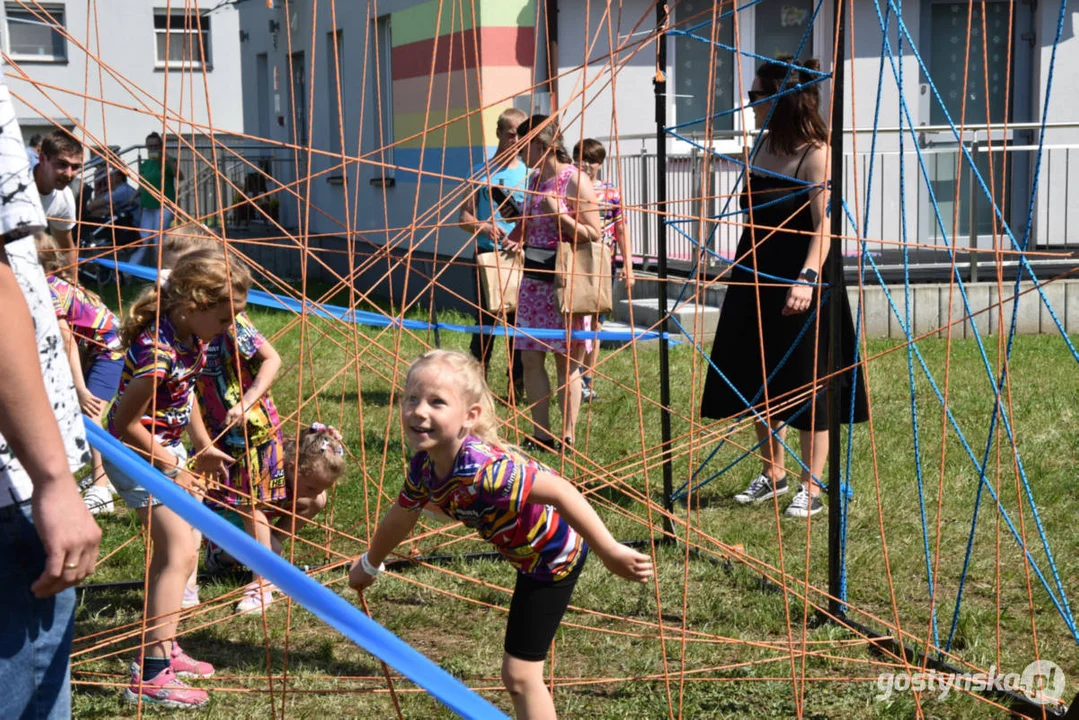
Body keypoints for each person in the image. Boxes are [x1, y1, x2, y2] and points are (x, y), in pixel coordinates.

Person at [348, 350, 652, 719]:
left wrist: (610, 551)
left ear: (469, 416)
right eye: (411, 398)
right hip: (527, 555)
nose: (419, 411)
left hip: (553, 558)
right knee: (518, 675)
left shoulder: (484, 471)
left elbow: (561, 491)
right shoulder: (424, 467)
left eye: (437, 402)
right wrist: (370, 563)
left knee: (521, 676)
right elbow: (401, 517)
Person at [699, 58, 868, 518]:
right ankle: (772, 474)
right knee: (759, 374)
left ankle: (810, 486)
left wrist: (808, 278)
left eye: (756, 96)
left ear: (781, 98)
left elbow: (825, 225)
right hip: (755, 272)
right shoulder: (761, 146)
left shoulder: (817, 152)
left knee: (809, 379)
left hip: (802, 277)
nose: (750, 105)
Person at [103, 247, 250, 709]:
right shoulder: (158, 353)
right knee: (181, 553)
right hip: (135, 457)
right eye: (226, 318)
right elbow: (121, 425)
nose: (230, 328)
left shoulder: (192, 338)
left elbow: (182, 404)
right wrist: (174, 465)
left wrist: (202, 446)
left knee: (178, 558)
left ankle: (165, 646)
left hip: (168, 452)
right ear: (193, 306)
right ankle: (149, 675)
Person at [0, 71, 100, 718]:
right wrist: (53, 475)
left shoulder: (59, 201)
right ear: (41, 156)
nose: (66, 175)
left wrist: (64, 278)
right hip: (13, 483)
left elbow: (60, 239)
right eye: (60, 165)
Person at [194, 241, 287, 615]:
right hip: (212, 432)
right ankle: (228, 553)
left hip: (252, 432)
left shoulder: (230, 322)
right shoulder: (185, 329)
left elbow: (271, 359)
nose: (236, 314)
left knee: (252, 506)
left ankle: (263, 580)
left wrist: (247, 400)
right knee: (216, 498)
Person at [503, 115, 603, 451]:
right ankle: (540, 433)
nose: (519, 150)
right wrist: (517, 233)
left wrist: (560, 215)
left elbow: (594, 234)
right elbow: (531, 225)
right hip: (534, 281)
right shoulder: (533, 179)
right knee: (530, 358)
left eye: (524, 143)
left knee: (566, 362)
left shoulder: (574, 180)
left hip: (565, 285)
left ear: (543, 144)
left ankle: (568, 436)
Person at [36, 233, 124, 514]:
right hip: (100, 348)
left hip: (111, 351)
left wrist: (80, 388)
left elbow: (66, 340)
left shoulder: (46, 290)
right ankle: (104, 476)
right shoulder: (54, 283)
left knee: (90, 412)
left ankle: (101, 488)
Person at [204, 422, 346, 571]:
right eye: (311, 487)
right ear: (293, 468)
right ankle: (220, 559)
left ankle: (269, 543)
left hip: (259, 510)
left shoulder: (295, 470)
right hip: (229, 513)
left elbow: (308, 441)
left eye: (321, 488)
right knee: (272, 550)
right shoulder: (269, 470)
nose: (314, 493)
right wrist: (268, 546)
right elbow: (246, 508)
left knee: (318, 501)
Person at [457, 107, 528, 398]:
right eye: (510, 134)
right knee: (485, 322)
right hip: (486, 257)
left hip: (519, 259)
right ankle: (479, 385)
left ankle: (517, 385)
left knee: (518, 325)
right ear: (498, 133)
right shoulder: (479, 172)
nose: (515, 140)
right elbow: (463, 218)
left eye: (521, 135)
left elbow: (537, 221)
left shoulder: (531, 175)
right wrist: (484, 227)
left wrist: (522, 239)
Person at [572, 139, 635, 402]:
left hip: (603, 264)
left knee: (595, 326)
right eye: (581, 157)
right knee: (575, 322)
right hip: (574, 262)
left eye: (592, 159)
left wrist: (628, 266)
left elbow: (621, 229)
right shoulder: (569, 187)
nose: (586, 164)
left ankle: (587, 379)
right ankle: (572, 377)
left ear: (600, 163)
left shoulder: (611, 193)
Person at [130, 131, 183, 267]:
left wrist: (166, 158)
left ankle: (163, 269)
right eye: (150, 146)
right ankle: (128, 273)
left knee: (158, 239)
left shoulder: (168, 161)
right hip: (148, 206)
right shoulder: (145, 164)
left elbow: (180, 176)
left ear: (161, 146)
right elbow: (143, 185)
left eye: (156, 146)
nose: (153, 149)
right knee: (142, 240)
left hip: (164, 205)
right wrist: (133, 197)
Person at [32, 130, 82, 267]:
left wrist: (73, 286)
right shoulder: (14, 186)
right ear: (43, 159)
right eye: (62, 164)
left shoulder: (64, 197)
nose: (69, 174)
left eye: (76, 167)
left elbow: (67, 249)